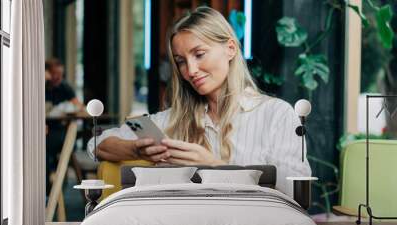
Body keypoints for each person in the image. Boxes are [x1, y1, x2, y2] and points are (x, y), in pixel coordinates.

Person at [87, 7, 311, 196]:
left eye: (199, 54)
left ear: (230, 49)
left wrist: (214, 167)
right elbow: (97, 144)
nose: (191, 70)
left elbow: (297, 192)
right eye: (181, 61)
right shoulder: (171, 120)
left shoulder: (276, 115)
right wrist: (137, 151)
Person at [45, 58, 84, 194]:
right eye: (55, 74)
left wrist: (70, 109)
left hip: (59, 130)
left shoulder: (64, 87)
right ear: (46, 73)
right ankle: (50, 184)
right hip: (44, 130)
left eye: (61, 74)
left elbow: (79, 106)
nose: (58, 77)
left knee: (58, 144)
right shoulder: (40, 86)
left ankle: (53, 184)